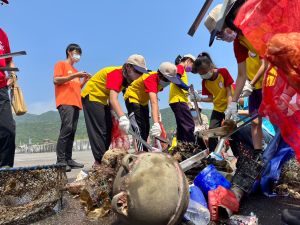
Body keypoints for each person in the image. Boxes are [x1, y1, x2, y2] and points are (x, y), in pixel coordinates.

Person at [204, 1, 268, 156]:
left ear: (227, 21)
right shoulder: (239, 42)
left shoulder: (253, 26)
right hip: (255, 87)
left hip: (270, 78)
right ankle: (258, 154)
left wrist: (250, 84)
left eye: (219, 33)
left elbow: (267, 59)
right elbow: (241, 75)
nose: (221, 37)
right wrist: (232, 104)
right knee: (254, 121)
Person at [81, 54, 148, 166]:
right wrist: (123, 117)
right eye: (138, 71)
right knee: (100, 130)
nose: (139, 75)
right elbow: (113, 99)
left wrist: (114, 112)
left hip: (103, 100)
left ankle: (101, 159)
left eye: (141, 72)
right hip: (92, 96)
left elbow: (112, 95)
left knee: (108, 128)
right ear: (128, 67)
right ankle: (99, 162)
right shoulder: (116, 74)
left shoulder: (127, 79)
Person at [123, 62, 180, 150]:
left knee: (146, 129)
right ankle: (141, 157)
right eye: (168, 80)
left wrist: (158, 114)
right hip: (133, 98)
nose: (169, 83)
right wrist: (156, 123)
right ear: (160, 76)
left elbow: (155, 98)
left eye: (170, 81)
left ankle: (145, 152)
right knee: (139, 129)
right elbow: (153, 102)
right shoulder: (151, 78)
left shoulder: (160, 83)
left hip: (143, 102)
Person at [54, 43, 91, 172]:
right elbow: (56, 80)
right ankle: (60, 161)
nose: (78, 56)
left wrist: (84, 81)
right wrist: (75, 76)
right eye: (77, 53)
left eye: (80, 54)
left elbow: (77, 88)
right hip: (65, 102)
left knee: (72, 131)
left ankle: (68, 159)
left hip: (75, 103)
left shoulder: (76, 71)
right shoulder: (61, 64)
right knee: (67, 128)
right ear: (70, 52)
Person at [191, 52, 234, 152]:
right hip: (218, 108)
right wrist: (200, 99)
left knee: (231, 132)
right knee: (212, 131)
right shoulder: (204, 82)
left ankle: (238, 155)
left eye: (205, 72)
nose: (204, 75)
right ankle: (212, 155)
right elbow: (211, 98)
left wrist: (229, 108)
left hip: (230, 105)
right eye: (201, 74)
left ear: (210, 66)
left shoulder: (223, 72)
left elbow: (229, 92)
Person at [169, 54, 196, 143]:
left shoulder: (180, 69)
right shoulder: (180, 67)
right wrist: (187, 88)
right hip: (178, 100)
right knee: (189, 124)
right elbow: (176, 79)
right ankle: (191, 147)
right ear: (188, 60)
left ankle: (182, 148)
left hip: (177, 100)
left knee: (181, 127)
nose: (192, 68)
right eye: (193, 65)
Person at [0, 28, 16, 168]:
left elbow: (10, 60)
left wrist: (12, 76)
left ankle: (5, 173)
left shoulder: (2, 34)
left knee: (8, 130)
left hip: (1, 89)